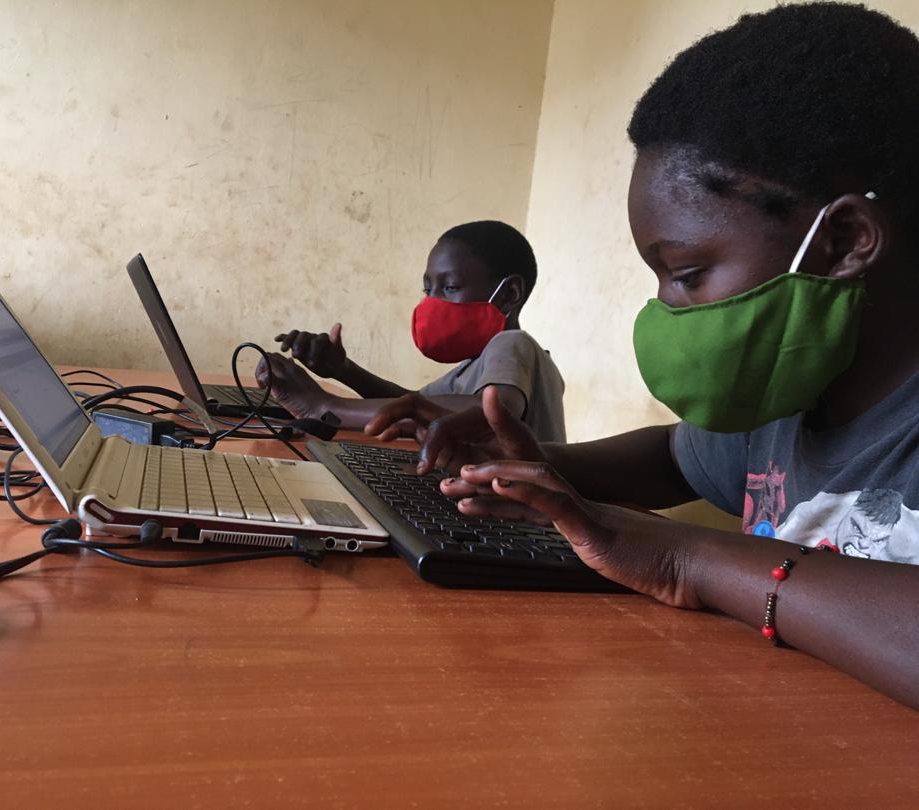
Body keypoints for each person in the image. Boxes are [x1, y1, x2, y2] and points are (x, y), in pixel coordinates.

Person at [364, 2, 919, 709]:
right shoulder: (791, 397)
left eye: (686, 275)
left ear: (842, 243)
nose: (665, 310)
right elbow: (675, 457)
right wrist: (538, 472)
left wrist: (684, 555)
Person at [255, 221, 567, 440]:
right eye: (428, 289)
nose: (432, 303)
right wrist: (344, 370)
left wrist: (327, 406)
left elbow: (493, 411)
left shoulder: (513, 345)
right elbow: (412, 404)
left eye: (450, 287)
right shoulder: (476, 365)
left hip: (515, 526)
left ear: (510, 294)